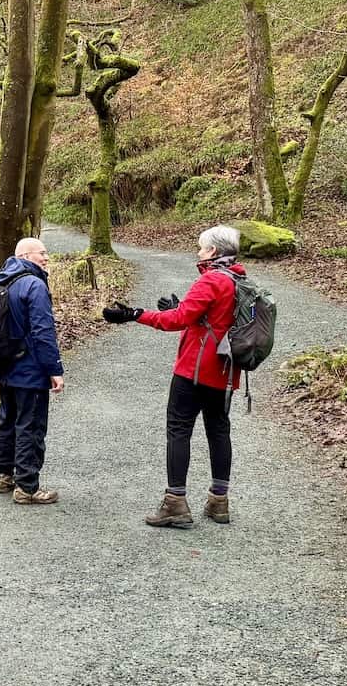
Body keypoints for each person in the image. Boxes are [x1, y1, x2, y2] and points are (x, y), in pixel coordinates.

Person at [102, 225, 245, 528]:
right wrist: (181, 306)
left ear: (214, 252)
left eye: (202, 248)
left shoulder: (211, 281)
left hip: (194, 370)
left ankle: (175, 503)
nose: (198, 252)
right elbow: (209, 318)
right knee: (218, 431)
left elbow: (177, 321)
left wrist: (134, 314)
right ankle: (219, 501)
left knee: (178, 430)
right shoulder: (239, 279)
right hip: (225, 370)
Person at [0, 237, 66, 505]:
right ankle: (28, 487)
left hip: (5, 365)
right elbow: (43, 332)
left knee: (7, 420)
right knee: (30, 425)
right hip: (29, 368)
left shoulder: (2, 281)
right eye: (41, 253)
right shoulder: (34, 285)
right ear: (25, 255)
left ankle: (3, 475)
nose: (46, 258)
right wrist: (54, 369)